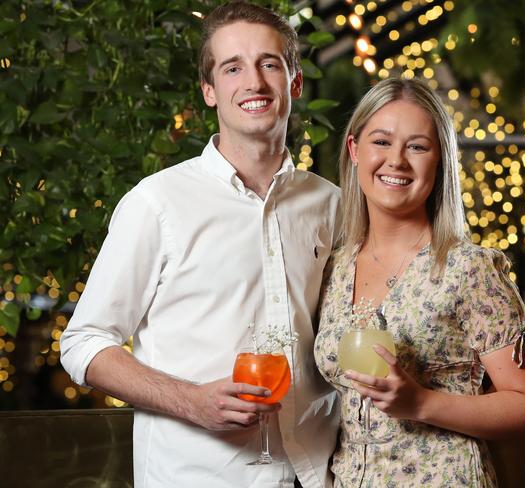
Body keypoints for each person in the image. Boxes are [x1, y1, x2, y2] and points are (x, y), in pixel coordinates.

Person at [60, 2, 340, 487]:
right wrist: (190, 400)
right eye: (233, 68)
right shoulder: (157, 202)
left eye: (269, 64)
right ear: (210, 91)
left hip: (313, 474)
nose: (253, 82)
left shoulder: (331, 204)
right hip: (198, 475)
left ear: (294, 82)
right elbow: (84, 342)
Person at [314, 77, 525, 487]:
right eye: (382, 142)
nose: (397, 161)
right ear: (355, 151)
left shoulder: (469, 269)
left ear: (440, 160)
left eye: (418, 147)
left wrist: (422, 402)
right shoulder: (333, 268)